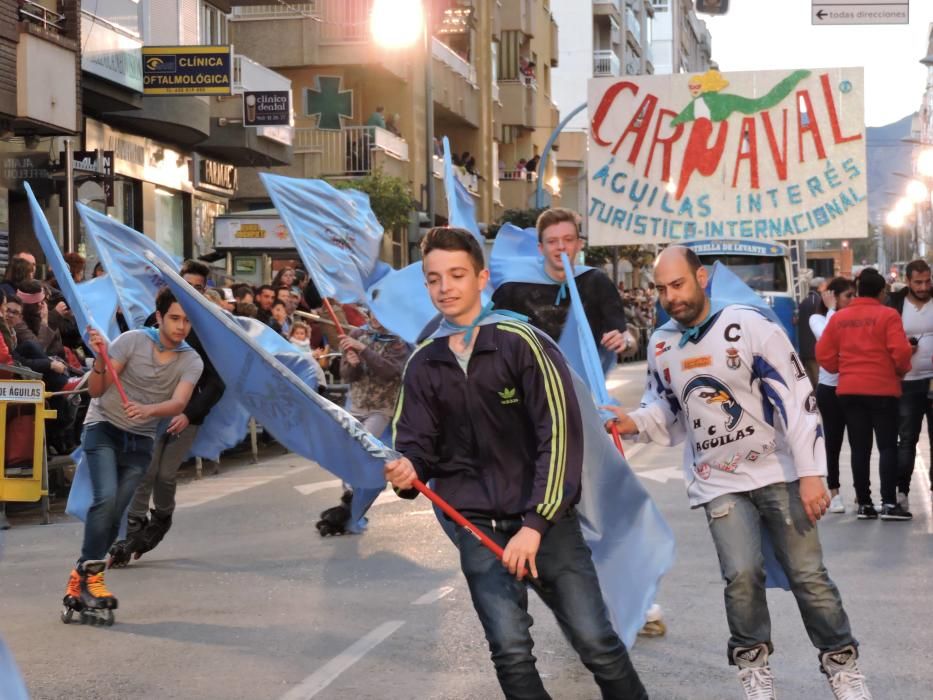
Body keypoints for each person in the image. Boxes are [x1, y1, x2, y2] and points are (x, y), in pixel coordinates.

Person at [385, 227, 648, 700]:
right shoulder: (423, 363)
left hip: (545, 523)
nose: (445, 287)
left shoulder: (523, 342)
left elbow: (560, 437)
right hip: (476, 526)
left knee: (596, 643)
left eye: (457, 275)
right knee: (509, 651)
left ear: (481, 277)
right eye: (434, 278)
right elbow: (417, 447)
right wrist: (408, 474)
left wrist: (536, 523)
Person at [605, 246, 870, 700]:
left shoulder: (748, 324)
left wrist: (811, 474)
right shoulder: (662, 343)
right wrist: (635, 422)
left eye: (679, 284)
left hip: (779, 472)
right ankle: (754, 668)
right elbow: (664, 406)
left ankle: (841, 666)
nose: (671, 297)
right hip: (718, 481)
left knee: (809, 576)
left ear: (702, 277)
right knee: (742, 576)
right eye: (663, 289)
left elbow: (797, 398)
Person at [62, 288, 203, 624]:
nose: (181, 326)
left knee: (117, 514)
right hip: (104, 429)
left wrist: (147, 410)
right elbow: (96, 391)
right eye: (174, 318)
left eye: (187, 320)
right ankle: (92, 579)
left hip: (140, 440)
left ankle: (81, 576)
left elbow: (178, 404)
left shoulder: (191, 360)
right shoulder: (131, 341)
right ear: (159, 316)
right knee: (105, 500)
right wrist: (100, 361)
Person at [110, 262, 228, 567]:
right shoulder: (155, 320)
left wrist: (189, 414)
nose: (189, 292)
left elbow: (217, 382)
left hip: (186, 413)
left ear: (204, 290)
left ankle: (161, 518)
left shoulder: (211, 328)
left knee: (164, 474)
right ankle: (131, 530)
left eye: (197, 287)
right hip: (153, 409)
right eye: (183, 284)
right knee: (145, 469)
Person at [816, 268, 913, 521]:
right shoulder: (888, 315)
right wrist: (900, 371)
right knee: (888, 446)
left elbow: (823, 353)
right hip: (882, 389)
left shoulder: (839, 318)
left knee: (860, 448)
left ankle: (865, 505)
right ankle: (890, 503)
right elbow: (901, 352)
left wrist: (840, 368)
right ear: (882, 292)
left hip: (849, 390)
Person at [492, 207, 635, 356]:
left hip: (583, 378)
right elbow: (493, 340)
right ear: (541, 248)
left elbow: (626, 338)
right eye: (552, 241)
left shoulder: (596, 281)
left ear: (579, 244)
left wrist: (626, 343)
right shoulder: (513, 289)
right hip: (530, 377)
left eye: (568, 239)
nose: (561, 247)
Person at [886, 258, 933, 510]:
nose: (924, 287)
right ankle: (901, 491)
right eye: (918, 282)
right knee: (907, 438)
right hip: (908, 382)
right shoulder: (895, 304)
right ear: (907, 281)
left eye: (927, 281)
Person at [809, 277, 856, 514]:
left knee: (860, 442)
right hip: (829, 389)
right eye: (848, 295)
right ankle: (834, 492)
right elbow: (828, 338)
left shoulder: (855, 318)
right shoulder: (817, 318)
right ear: (834, 297)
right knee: (833, 442)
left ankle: (862, 494)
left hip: (855, 385)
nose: (853, 300)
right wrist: (830, 310)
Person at [797, 276, 826, 389]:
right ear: (820, 287)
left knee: (809, 382)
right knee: (818, 380)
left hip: (804, 349)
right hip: (814, 349)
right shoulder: (817, 301)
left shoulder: (805, 300)